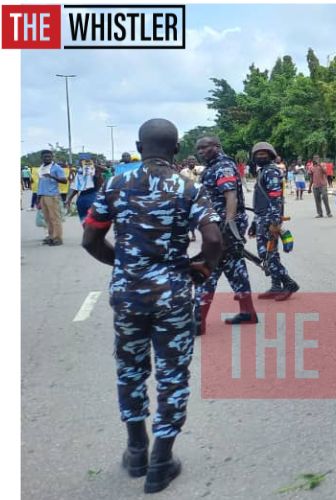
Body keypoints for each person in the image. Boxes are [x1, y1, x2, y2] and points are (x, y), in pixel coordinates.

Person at [81, 118, 223, 494]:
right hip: (173, 295)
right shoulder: (187, 188)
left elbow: (90, 238)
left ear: (139, 146)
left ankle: (135, 450)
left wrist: (126, 264)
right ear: (176, 149)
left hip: (128, 295)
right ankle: (161, 460)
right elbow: (213, 237)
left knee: (130, 370)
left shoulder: (114, 184)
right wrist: (201, 270)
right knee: (173, 376)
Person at [193, 135, 258, 337]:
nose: (201, 152)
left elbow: (230, 195)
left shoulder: (222, 166)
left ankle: (197, 322)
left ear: (217, 146)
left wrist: (228, 226)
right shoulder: (214, 166)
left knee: (206, 272)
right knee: (236, 269)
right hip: (221, 228)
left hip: (222, 230)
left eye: (205, 147)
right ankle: (247, 312)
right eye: (199, 149)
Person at [249, 141, 300, 300]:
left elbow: (275, 198)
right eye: (258, 154)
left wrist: (274, 222)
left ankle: (289, 283)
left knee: (267, 255)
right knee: (271, 254)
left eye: (264, 154)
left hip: (269, 219)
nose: (260, 157)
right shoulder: (263, 171)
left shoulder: (271, 171)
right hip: (262, 217)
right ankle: (276, 286)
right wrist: (254, 223)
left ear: (271, 156)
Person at [36, 150, 67, 246]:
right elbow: (41, 183)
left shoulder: (56, 168)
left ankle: (58, 238)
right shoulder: (41, 168)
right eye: (45, 157)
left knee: (55, 218)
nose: (47, 158)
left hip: (52, 195)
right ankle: (51, 236)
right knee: (47, 218)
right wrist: (38, 197)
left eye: (49, 156)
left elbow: (64, 180)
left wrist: (52, 176)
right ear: (42, 157)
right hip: (43, 195)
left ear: (52, 157)